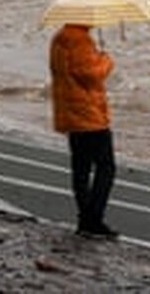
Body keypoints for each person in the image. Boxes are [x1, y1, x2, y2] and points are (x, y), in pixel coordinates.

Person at [49, 23, 119, 240]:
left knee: (81, 168)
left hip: (71, 113)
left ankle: (85, 219)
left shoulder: (59, 38)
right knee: (106, 167)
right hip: (89, 115)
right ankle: (93, 220)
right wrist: (106, 60)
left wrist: (96, 55)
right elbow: (90, 74)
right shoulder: (80, 40)